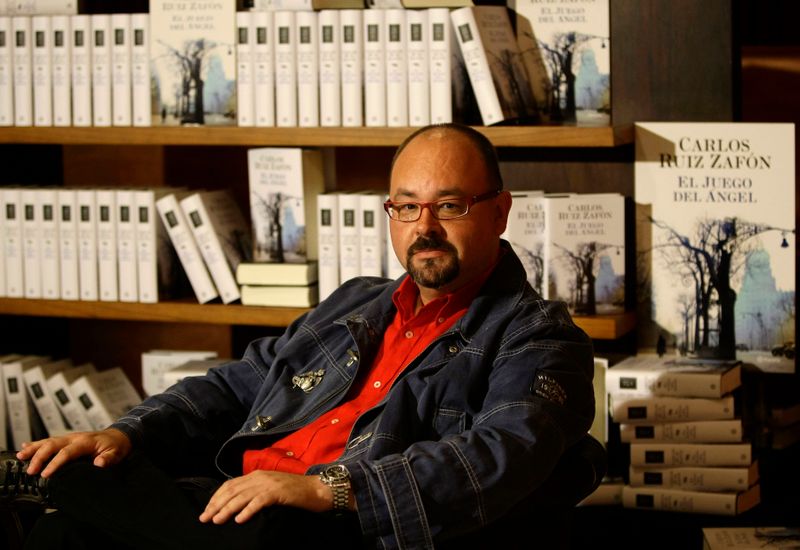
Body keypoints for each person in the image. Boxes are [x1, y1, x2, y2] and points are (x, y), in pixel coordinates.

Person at [3, 123, 596, 549]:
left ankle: (57, 482)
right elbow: (238, 384)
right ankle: (87, 483)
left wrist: (326, 489)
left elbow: (500, 454)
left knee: (262, 532)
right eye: (407, 207)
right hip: (239, 495)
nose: (426, 228)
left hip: (329, 524)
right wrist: (122, 433)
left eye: (451, 205)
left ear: (500, 211)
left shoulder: (539, 335)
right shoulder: (355, 302)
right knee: (64, 534)